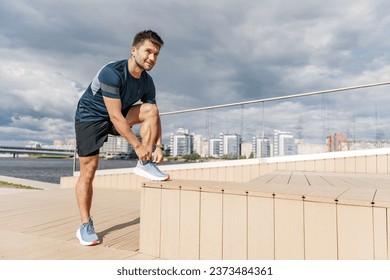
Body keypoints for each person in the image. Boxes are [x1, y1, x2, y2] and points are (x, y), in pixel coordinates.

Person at [74, 30, 169, 246]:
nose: (152, 58)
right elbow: (115, 116)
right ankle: (85, 225)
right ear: (134, 50)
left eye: (156, 54)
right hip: (91, 117)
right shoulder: (112, 73)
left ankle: (144, 163)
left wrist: (159, 146)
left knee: (151, 109)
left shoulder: (147, 82)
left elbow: (153, 114)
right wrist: (137, 145)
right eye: (148, 52)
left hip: (119, 114)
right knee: (89, 170)